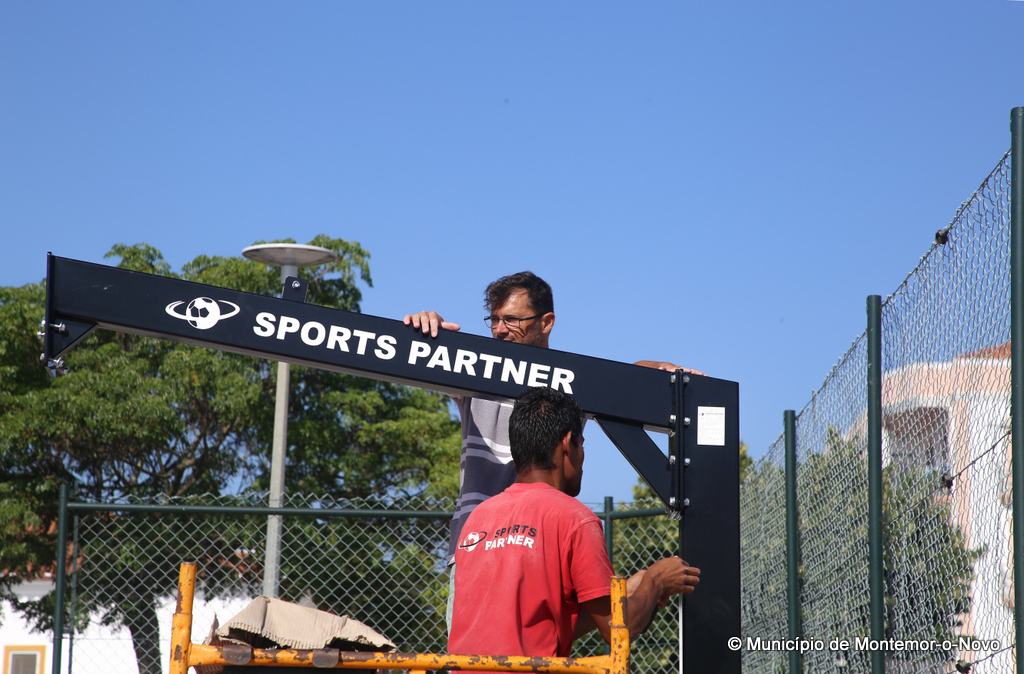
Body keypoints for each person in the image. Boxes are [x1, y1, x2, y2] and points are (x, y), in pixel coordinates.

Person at [403, 271, 702, 565]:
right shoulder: (474, 371)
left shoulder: (568, 382)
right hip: (475, 544)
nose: (499, 330)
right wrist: (426, 327)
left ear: (546, 322)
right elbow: (429, 354)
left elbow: (619, 377)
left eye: (511, 319)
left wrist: (659, 370)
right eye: (494, 319)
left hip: (541, 546)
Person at [447, 386, 700, 661]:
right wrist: (657, 580)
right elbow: (619, 631)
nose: (582, 458)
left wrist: (628, 591)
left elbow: (542, 628)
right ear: (568, 443)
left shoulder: (478, 519)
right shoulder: (574, 518)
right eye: (582, 444)